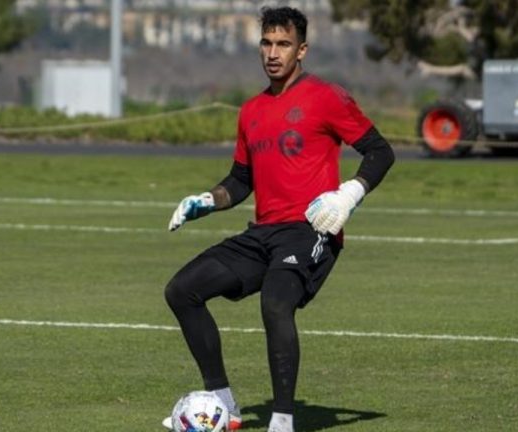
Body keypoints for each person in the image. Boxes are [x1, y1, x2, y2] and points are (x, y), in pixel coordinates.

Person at [163, 6, 395, 432]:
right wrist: (206, 200)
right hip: (263, 234)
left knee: (275, 302)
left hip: (310, 229)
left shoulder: (327, 97)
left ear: (301, 50)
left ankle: (282, 421)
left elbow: (381, 152)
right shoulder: (250, 110)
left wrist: (350, 194)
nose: (273, 53)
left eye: (283, 44)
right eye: (267, 43)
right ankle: (223, 403)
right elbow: (240, 181)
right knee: (182, 291)